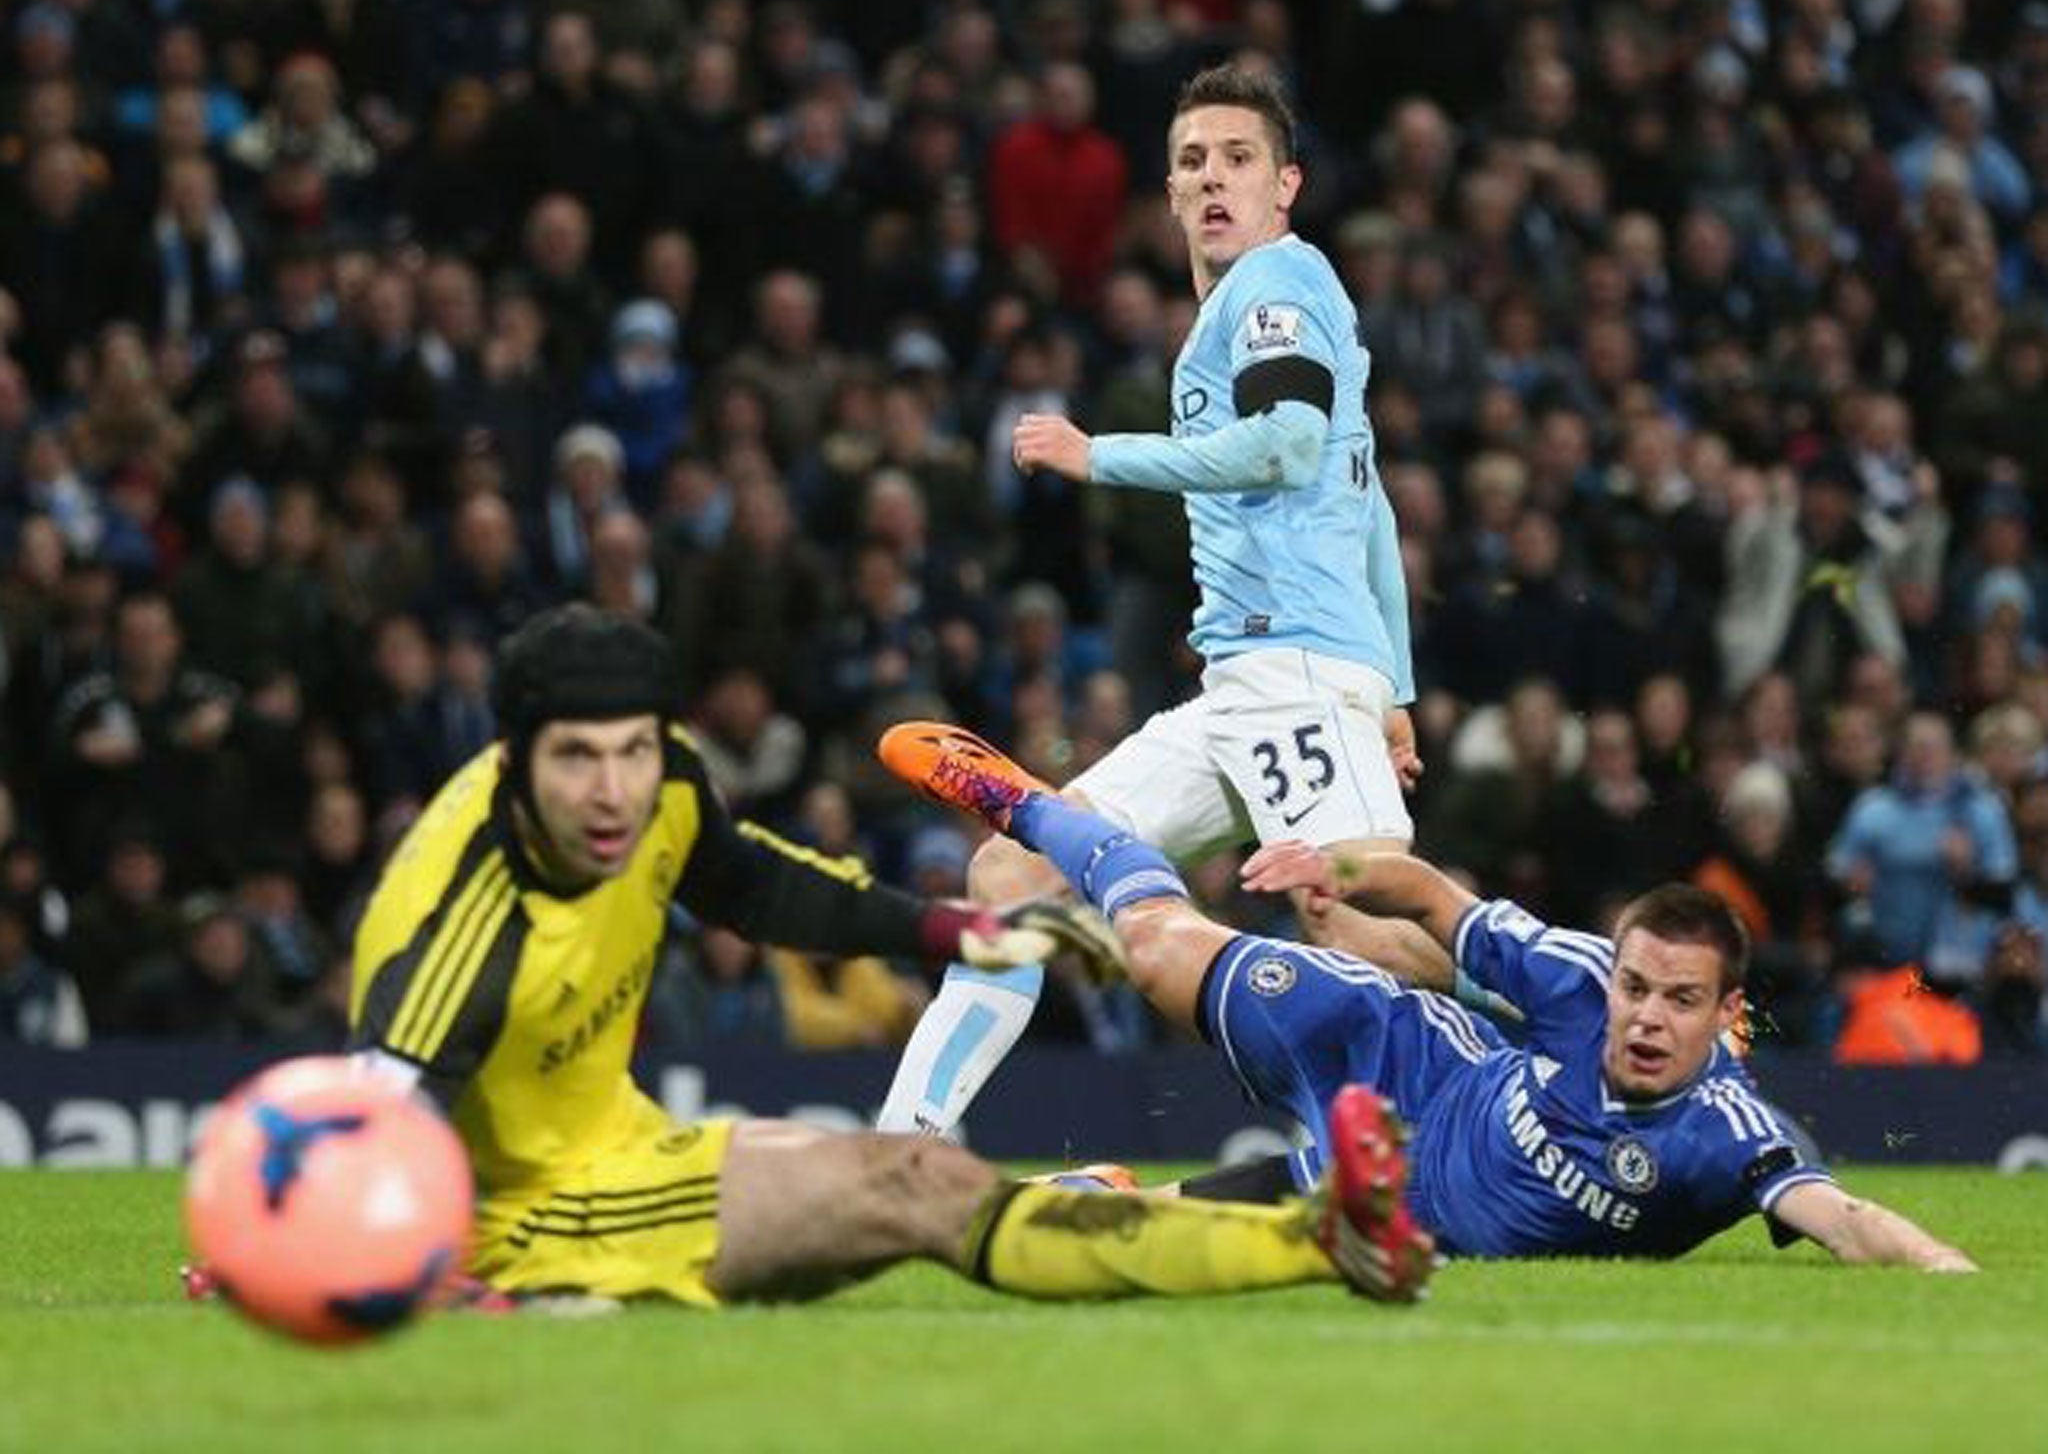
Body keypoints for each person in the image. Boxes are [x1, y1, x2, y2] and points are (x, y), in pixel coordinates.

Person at [344, 604, 1429, 1307]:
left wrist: (947, 927)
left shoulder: (662, 783)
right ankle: (1315, 1239)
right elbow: (368, 1129)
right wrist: (329, 1256)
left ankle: (1316, 1235)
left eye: (632, 752)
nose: (613, 790)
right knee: (921, 1193)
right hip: (535, 1217)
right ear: (508, 758)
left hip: (631, 1146)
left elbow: (753, 883)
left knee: (910, 1184)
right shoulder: (459, 922)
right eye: (577, 759)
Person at [879, 719, 1977, 1270]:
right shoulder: (1573, 980)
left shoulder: (1720, 1131)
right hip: (1392, 1055)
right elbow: (1432, 899)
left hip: (1373, 1193)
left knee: (1135, 1240)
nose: (1640, 1014)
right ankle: (1022, 801)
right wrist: (1330, 871)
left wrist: (1943, 1271)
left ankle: (1067, 1190)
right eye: (1634, 984)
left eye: (1675, 1000)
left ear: (1721, 1011)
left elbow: (1839, 1216)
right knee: (1160, 949)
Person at [879, 64, 1434, 1138]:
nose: (1213, 178)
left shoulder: (1274, 285)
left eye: (1238, 159)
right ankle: (899, 1155)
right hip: (1254, 681)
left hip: (1295, 670)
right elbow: (1368, 511)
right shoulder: (1244, 308)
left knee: (1362, 926)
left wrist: (1100, 455)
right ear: (1169, 195)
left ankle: (1595, 1023)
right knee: (1015, 869)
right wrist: (1396, 686)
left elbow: (1286, 445)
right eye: (1192, 162)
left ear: (1286, 187)